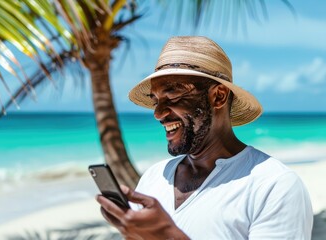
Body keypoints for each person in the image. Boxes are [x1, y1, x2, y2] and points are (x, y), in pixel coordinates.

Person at [96, 36, 313, 239]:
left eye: (172, 95)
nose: (158, 113)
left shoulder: (273, 185)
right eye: (155, 101)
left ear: (218, 96)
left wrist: (168, 235)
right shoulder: (155, 177)